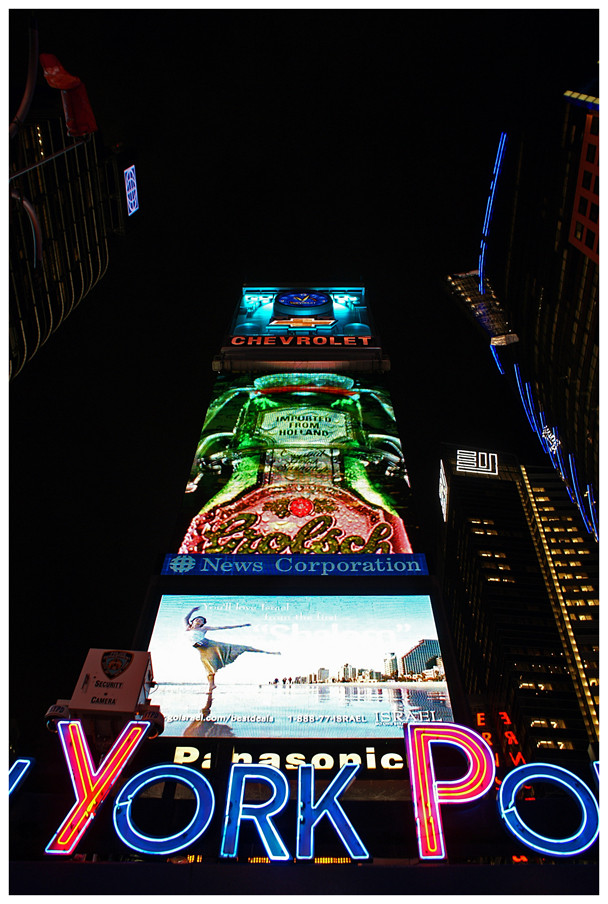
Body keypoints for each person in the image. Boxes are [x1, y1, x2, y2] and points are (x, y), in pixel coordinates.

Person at [185, 606, 279, 690]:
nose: (199, 620)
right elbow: (186, 618)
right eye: (197, 619)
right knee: (209, 666)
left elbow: (223, 627)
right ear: (192, 621)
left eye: (201, 620)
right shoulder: (188, 627)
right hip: (202, 649)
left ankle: (267, 652)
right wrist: (192, 610)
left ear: (203, 624)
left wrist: (241, 625)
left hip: (209, 645)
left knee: (241, 647)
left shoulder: (203, 628)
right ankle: (212, 685)